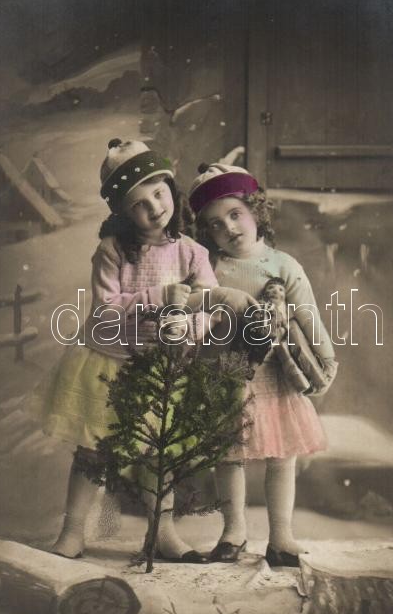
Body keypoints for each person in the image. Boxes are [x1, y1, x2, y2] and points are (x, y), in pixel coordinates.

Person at [35, 139, 226, 564]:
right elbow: (105, 309)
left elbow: (211, 306)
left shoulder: (193, 253)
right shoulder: (112, 251)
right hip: (111, 360)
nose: (155, 208)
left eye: (158, 193)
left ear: (171, 188)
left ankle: (162, 533)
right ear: (123, 212)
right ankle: (73, 531)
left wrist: (189, 329)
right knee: (94, 447)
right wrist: (158, 296)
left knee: (159, 452)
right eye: (139, 204)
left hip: (163, 365)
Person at [189, 163, 338, 567]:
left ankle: (281, 537)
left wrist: (326, 358)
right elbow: (197, 311)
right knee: (227, 455)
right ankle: (233, 532)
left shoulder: (283, 264)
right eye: (216, 223)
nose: (229, 227)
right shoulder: (210, 268)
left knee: (283, 455)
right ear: (207, 232)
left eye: (235, 214)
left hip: (276, 374)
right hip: (227, 373)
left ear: (255, 210)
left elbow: (308, 314)